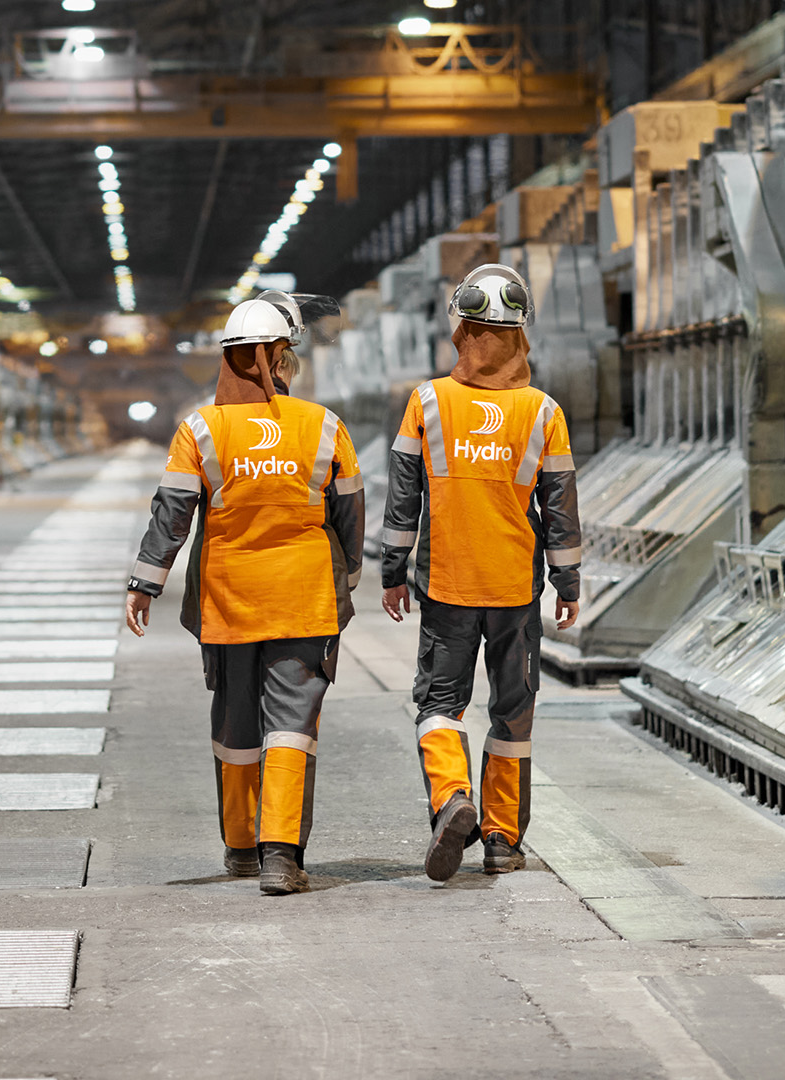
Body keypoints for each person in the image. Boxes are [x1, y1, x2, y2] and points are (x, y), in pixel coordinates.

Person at [125, 295, 363, 896]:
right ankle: (282, 855)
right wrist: (349, 577)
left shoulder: (201, 429)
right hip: (304, 598)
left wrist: (145, 582)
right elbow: (350, 513)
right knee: (292, 724)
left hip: (228, 601)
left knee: (235, 722)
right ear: (274, 357)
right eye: (287, 355)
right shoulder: (323, 425)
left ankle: (239, 848)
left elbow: (172, 513)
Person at [379, 263, 581, 882]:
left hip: (447, 585)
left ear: (460, 331)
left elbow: (403, 498)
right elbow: (560, 506)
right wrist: (568, 583)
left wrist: (392, 569)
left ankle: (451, 798)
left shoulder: (428, 402)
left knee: (440, 704)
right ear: (521, 335)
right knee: (512, 716)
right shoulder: (544, 412)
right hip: (516, 589)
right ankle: (500, 838)